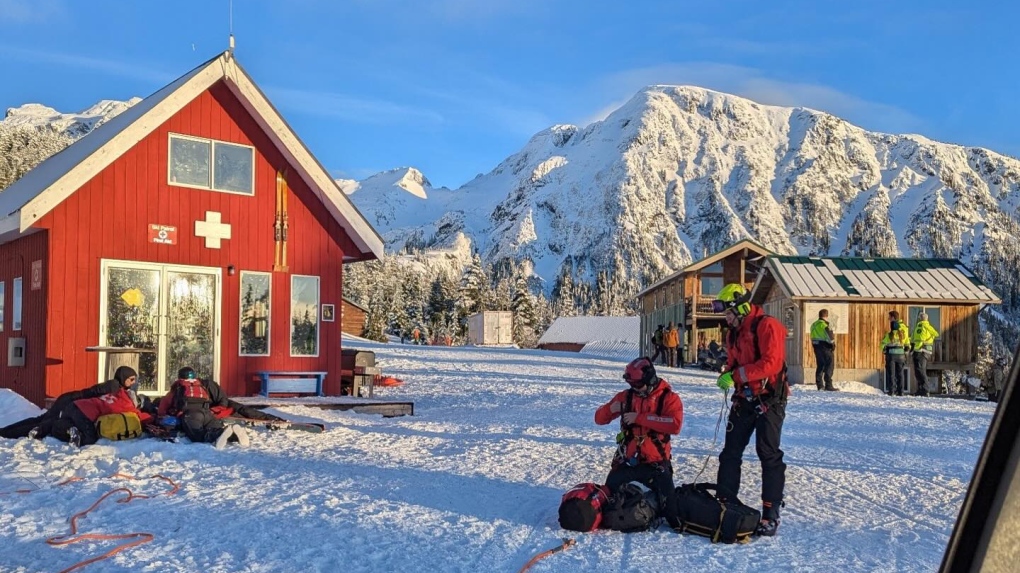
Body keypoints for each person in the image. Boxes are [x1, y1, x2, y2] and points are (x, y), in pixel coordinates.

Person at [712, 283, 788, 537]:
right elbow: (733, 362)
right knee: (730, 453)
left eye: (729, 313)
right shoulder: (733, 333)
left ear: (742, 308)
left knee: (768, 452)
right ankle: (725, 504)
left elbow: (771, 363)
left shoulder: (767, 326)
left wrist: (736, 375)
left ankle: (770, 513)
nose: (726, 319)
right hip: (744, 399)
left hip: (770, 398)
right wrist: (728, 373)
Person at [595, 356, 684, 527]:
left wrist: (640, 418)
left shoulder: (669, 398)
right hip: (629, 462)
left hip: (656, 464)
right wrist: (610, 409)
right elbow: (599, 418)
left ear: (649, 379)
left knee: (672, 515)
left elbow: (675, 425)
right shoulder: (626, 397)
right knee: (610, 505)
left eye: (637, 384)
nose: (634, 389)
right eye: (631, 385)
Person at [1, 366, 151, 439]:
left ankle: (6, 431)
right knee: (43, 422)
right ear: (123, 377)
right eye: (131, 379)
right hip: (71, 401)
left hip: (73, 402)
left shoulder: (116, 387)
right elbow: (94, 395)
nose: (133, 383)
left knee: (42, 420)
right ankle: (7, 433)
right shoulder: (113, 386)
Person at [156, 367, 268, 448]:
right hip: (207, 413)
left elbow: (163, 407)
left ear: (180, 377)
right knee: (216, 429)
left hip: (191, 415)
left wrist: (161, 416)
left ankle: (218, 435)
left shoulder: (178, 388)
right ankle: (234, 435)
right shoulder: (200, 386)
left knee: (197, 435)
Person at [40, 367, 153, 447]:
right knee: (90, 438)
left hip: (76, 404)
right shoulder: (128, 406)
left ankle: (60, 427)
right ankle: (68, 430)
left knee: (49, 420)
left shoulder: (118, 393)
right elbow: (141, 417)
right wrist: (154, 418)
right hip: (83, 412)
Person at [910, 312, 940, 396]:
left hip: (923, 350)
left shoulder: (924, 327)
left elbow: (936, 334)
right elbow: (913, 338)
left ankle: (925, 389)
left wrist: (927, 341)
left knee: (920, 370)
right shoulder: (919, 327)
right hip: (918, 350)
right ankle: (921, 389)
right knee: (918, 370)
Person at [881, 311, 910, 396]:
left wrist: (884, 349)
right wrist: (907, 348)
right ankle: (901, 391)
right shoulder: (902, 333)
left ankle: (892, 391)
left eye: (889, 317)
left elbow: (882, 344)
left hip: (891, 355)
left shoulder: (889, 335)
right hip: (901, 354)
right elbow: (906, 341)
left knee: (891, 374)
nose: (888, 319)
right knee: (900, 373)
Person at [810, 309, 837, 391]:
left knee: (820, 365)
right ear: (826, 316)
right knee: (829, 364)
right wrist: (833, 345)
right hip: (825, 346)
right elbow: (830, 337)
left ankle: (820, 385)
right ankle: (828, 384)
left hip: (816, 346)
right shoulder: (825, 325)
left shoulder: (813, 325)